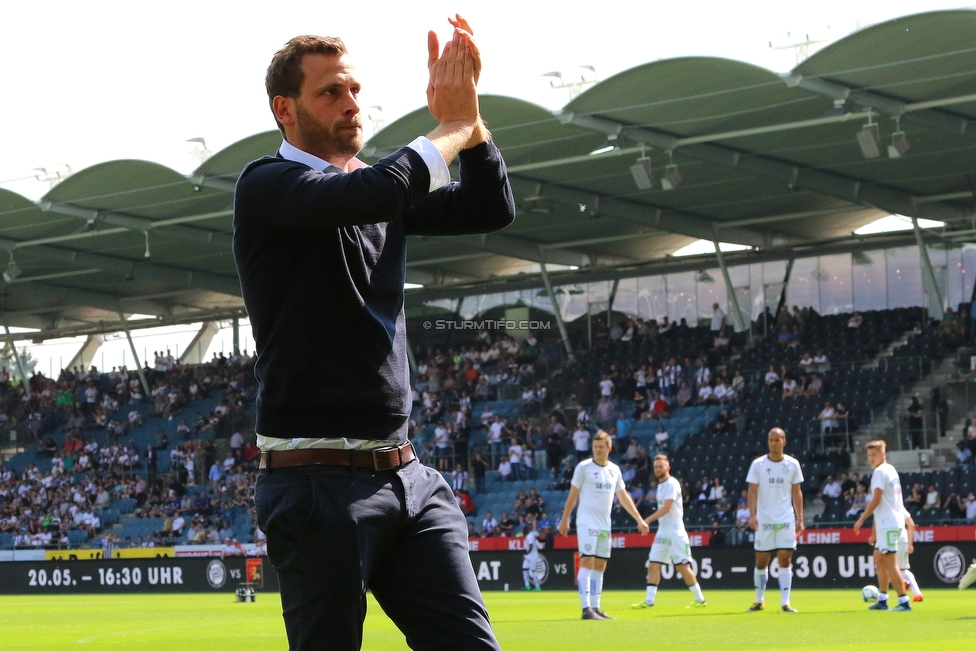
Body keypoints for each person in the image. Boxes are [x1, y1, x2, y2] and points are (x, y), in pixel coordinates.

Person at [236, 18, 514, 651]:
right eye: (331, 92)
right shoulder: (266, 186)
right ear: (286, 110)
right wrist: (450, 128)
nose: (352, 103)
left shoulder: (375, 191)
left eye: (355, 88)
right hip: (317, 483)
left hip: (407, 474)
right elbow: (371, 192)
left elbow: (488, 207)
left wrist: (474, 122)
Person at [559, 431, 649, 620]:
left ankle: (596, 607)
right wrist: (565, 519)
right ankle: (586, 608)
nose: (598, 450)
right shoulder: (583, 468)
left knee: (600, 565)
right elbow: (573, 495)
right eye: (595, 447)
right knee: (587, 561)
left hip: (604, 525)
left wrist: (639, 519)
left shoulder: (614, 470)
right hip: (586, 522)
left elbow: (623, 497)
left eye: (601, 447)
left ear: (609, 448)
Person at [632, 454, 707, 609]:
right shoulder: (660, 485)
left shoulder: (672, 483)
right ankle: (649, 601)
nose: (658, 469)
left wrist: (647, 520)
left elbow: (666, 508)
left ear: (668, 467)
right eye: (656, 467)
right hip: (663, 531)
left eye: (661, 466)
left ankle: (700, 600)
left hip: (675, 531)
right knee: (653, 564)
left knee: (682, 566)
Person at [746, 428, 804, 613]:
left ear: (784, 442)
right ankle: (759, 600)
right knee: (761, 560)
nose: (774, 443)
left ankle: (785, 603)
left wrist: (800, 518)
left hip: (786, 519)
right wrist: (752, 515)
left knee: (785, 559)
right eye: (771, 440)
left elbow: (797, 492)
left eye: (777, 440)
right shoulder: (758, 464)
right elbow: (752, 491)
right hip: (764, 520)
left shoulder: (793, 464)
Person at [854, 440, 912, 611]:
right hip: (889, 523)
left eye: (874, 455)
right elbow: (884, 503)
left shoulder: (879, 472)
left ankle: (903, 601)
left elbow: (877, 499)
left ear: (883, 454)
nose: (871, 459)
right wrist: (874, 531)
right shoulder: (891, 470)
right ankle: (882, 599)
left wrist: (861, 519)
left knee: (890, 562)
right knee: (879, 559)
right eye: (869, 456)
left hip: (888, 524)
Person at [521, 520, 543, 591]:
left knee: (533, 570)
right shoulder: (529, 536)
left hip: (532, 556)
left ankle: (537, 586)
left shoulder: (530, 536)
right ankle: (527, 586)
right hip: (529, 556)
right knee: (524, 568)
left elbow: (531, 546)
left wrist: (526, 554)